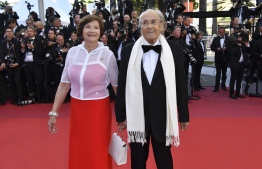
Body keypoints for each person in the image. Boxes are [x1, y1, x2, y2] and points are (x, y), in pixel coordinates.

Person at [115, 9, 189, 169]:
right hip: (136, 114)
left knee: (164, 161)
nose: (149, 26)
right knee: (137, 161)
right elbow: (122, 84)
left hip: (162, 114)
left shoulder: (174, 49)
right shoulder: (128, 50)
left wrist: (184, 113)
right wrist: (120, 114)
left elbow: (181, 83)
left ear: (162, 25)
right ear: (139, 26)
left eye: (154, 22)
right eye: (145, 23)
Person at [47, 15, 118, 169]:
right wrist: (54, 113)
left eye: (96, 28)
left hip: (98, 110)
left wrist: (123, 115)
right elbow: (64, 85)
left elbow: (116, 87)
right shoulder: (72, 52)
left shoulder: (108, 55)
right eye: (88, 27)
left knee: (97, 150)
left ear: (101, 32)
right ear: (81, 30)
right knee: (78, 149)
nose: (91, 31)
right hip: (77, 109)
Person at [211, 27, 229, 92]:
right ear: (218, 32)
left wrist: (226, 48)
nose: (221, 33)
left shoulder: (228, 38)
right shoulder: (215, 39)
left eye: (222, 32)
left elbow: (231, 47)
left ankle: (223, 85)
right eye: (220, 32)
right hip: (218, 58)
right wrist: (217, 49)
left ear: (224, 32)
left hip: (225, 58)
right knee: (218, 73)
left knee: (224, 73)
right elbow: (212, 47)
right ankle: (216, 87)